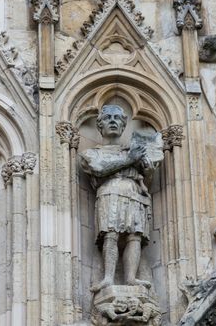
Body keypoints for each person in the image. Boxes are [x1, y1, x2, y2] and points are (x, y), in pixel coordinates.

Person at [79, 105, 160, 293]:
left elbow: (147, 176)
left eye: (117, 118)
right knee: (111, 234)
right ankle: (108, 278)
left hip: (134, 192)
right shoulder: (92, 153)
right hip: (109, 191)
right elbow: (99, 169)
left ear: (124, 125)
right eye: (108, 118)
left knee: (135, 235)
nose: (113, 121)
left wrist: (147, 164)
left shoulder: (132, 151)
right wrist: (130, 160)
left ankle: (131, 278)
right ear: (100, 125)